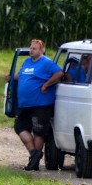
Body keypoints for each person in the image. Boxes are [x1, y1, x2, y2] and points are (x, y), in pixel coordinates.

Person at [8, 38, 65, 171]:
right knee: (20, 127)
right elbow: (20, 75)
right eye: (31, 47)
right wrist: (11, 77)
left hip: (41, 103)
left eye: (34, 48)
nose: (31, 50)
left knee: (39, 131)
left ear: (41, 50)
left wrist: (46, 84)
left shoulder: (46, 63)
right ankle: (35, 154)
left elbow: (59, 73)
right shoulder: (27, 61)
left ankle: (34, 162)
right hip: (25, 104)